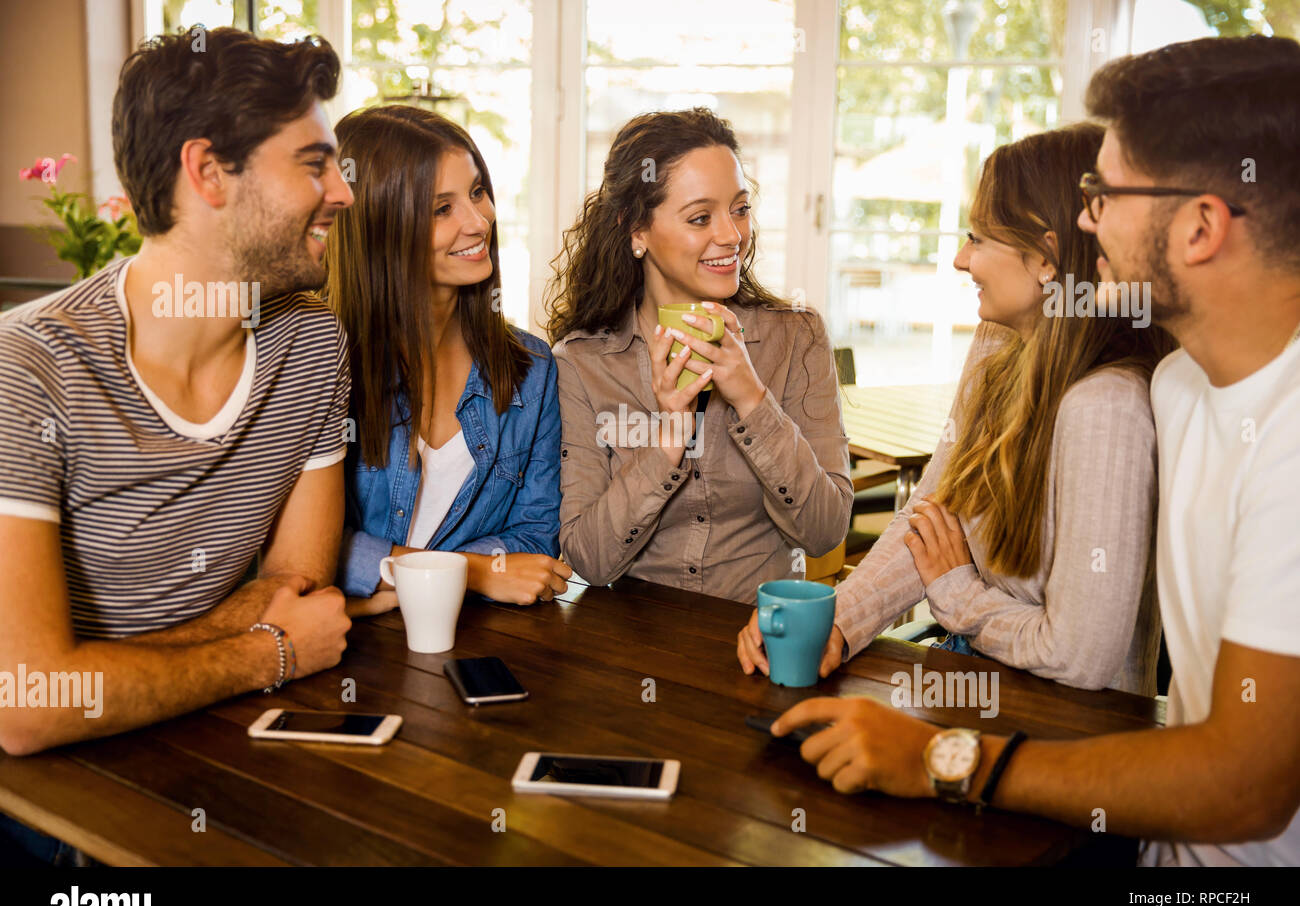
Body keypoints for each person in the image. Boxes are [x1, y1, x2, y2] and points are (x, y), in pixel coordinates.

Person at [772, 35, 1300, 866]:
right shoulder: (1180, 387)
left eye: (1107, 193)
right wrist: (842, 617)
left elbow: (1245, 782)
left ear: (1201, 226)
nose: (1087, 219)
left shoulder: (1278, 441)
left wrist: (942, 760)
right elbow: (943, 501)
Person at [0, 28, 353, 760]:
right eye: (315, 164)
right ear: (208, 171)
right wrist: (266, 654)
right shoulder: (28, 367)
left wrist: (115, 670)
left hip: (210, 743)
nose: (343, 193)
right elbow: (28, 705)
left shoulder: (312, 348)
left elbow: (297, 592)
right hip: (42, 803)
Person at [738, 124, 1175, 695]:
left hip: (1060, 732)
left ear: (1046, 257)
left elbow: (1079, 657)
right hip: (966, 681)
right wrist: (835, 623)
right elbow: (931, 514)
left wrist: (959, 590)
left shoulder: (1108, 406)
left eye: (978, 238)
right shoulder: (997, 342)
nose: (960, 259)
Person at [547, 108, 852, 604]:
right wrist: (668, 440)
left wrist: (754, 401)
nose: (732, 236)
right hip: (630, 641)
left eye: (740, 208)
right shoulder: (581, 363)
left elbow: (824, 532)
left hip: (759, 636)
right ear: (636, 231)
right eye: (700, 217)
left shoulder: (797, 336)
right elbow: (590, 560)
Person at [326, 107, 569, 613]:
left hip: (467, 640)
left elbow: (534, 536)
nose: (479, 223)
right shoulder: (323, 364)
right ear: (378, 227)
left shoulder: (532, 368)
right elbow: (302, 548)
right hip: (340, 651)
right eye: (442, 209)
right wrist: (472, 571)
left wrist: (394, 580)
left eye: (477, 192)